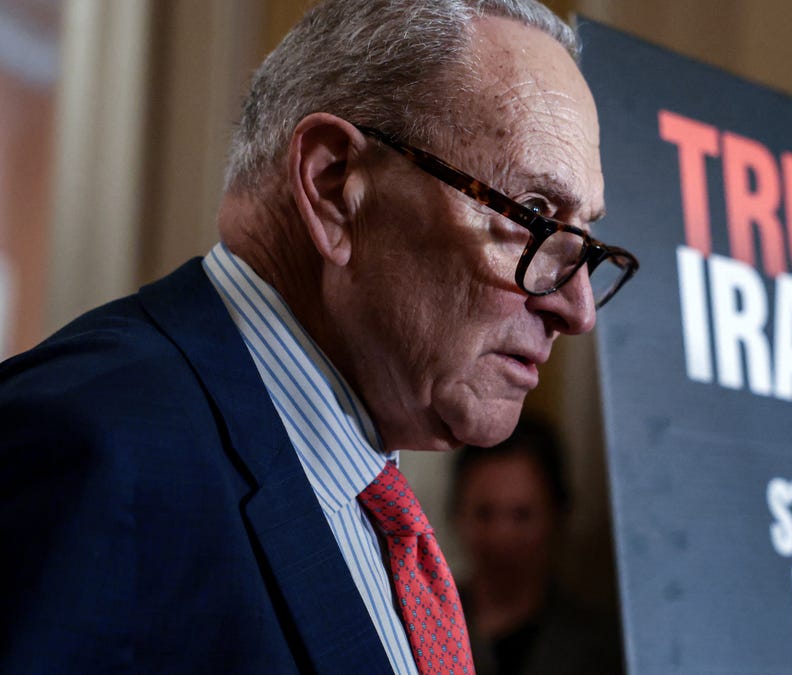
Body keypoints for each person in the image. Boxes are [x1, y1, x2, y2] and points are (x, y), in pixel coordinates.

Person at [0, 1, 637, 672]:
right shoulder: (89, 449)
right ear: (335, 187)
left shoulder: (370, 491)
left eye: (584, 242)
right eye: (533, 214)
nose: (578, 308)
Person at [449, 417, 624, 675]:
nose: (501, 536)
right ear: (458, 514)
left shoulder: (600, 649)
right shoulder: (422, 622)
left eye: (522, 515)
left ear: (557, 517)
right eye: (484, 513)